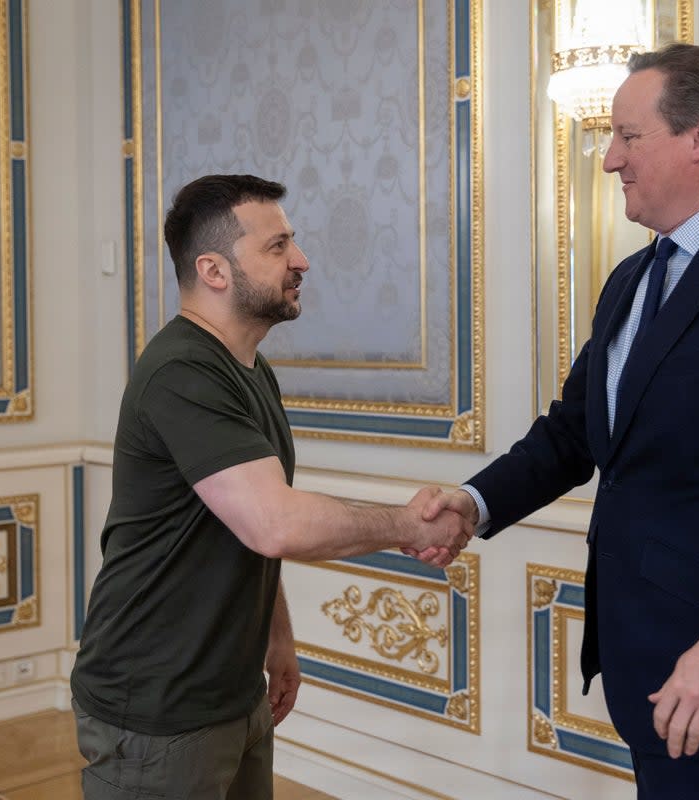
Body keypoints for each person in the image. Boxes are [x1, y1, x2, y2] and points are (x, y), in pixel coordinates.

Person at [422, 43, 699, 798]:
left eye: (628, 136)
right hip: (642, 656)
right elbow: (575, 431)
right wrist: (472, 503)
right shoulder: (633, 277)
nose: (609, 161)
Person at [70, 174, 472, 800]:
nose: (302, 260)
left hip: (231, 691)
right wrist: (408, 525)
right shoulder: (182, 372)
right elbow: (275, 522)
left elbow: (246, 526)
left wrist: (277, 637)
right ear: (215, 270)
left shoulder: (248, 370)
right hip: (155, 708)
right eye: (278, 246)